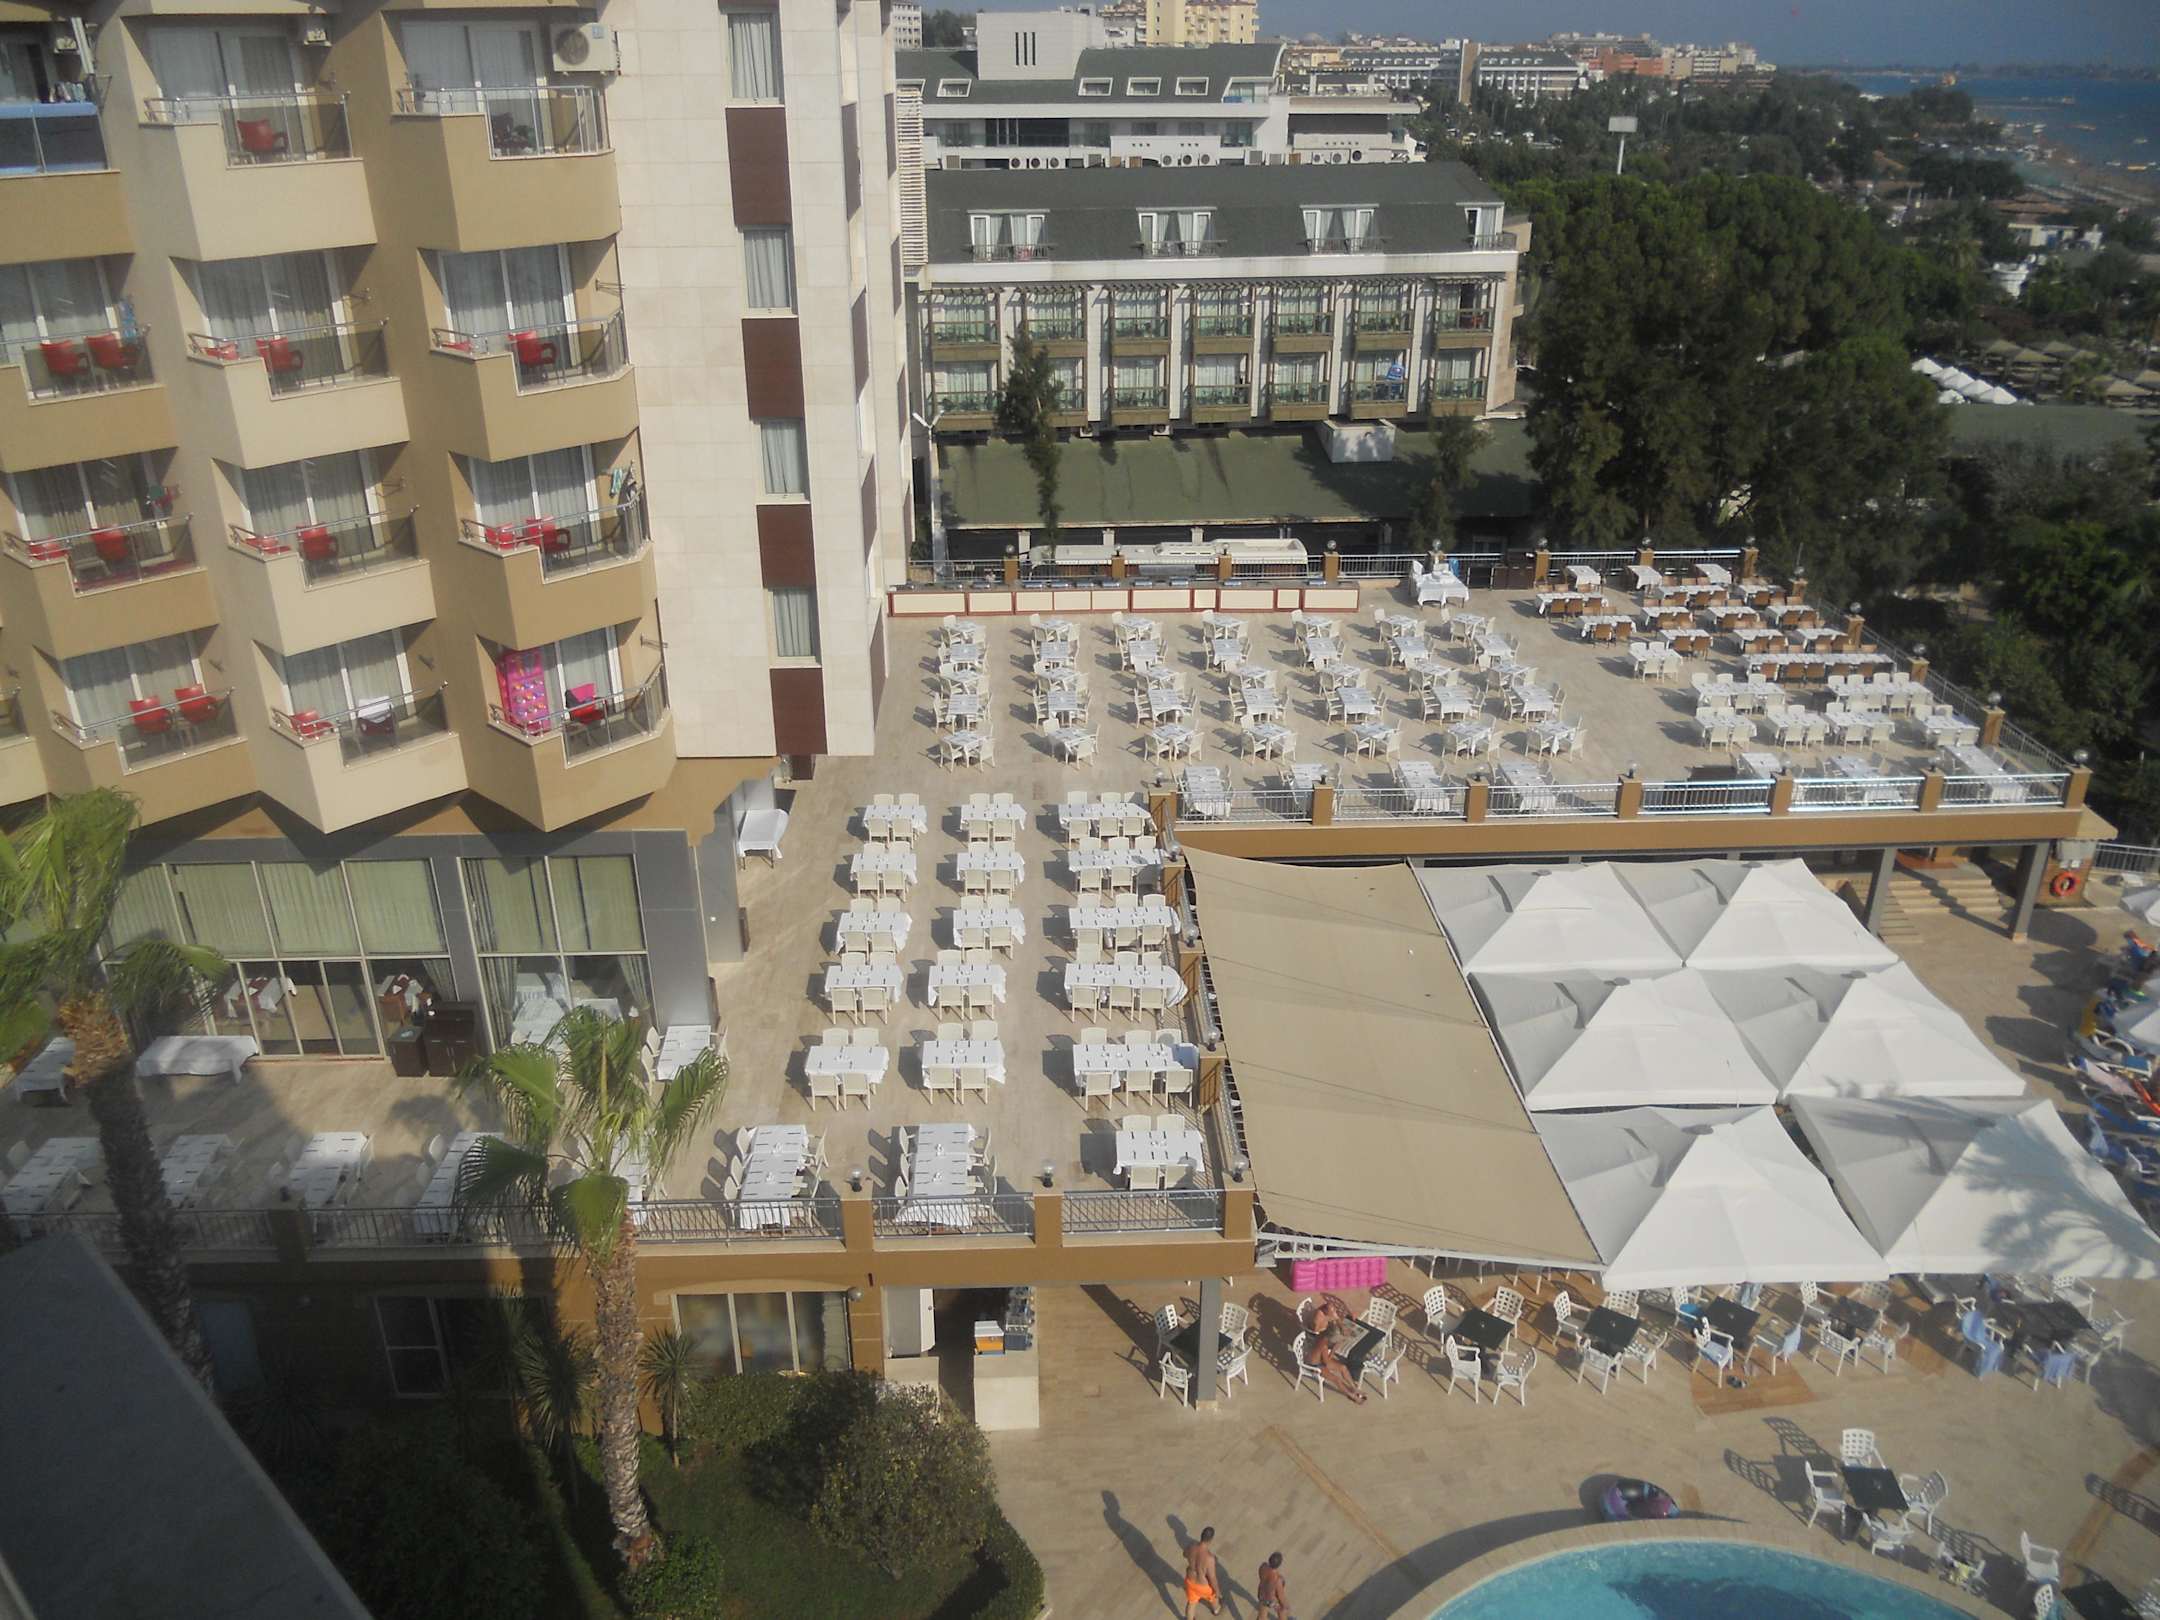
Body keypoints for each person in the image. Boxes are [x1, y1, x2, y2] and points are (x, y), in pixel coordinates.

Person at [1304, 1300, 1367, 1402]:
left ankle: (1355, 1389)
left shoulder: (1324, 1338)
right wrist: (1333, 1350)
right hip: (1315, 1366)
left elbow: (1336, 1319)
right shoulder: (1323, 1345)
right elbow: (1326, 1362)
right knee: (1336, 1379)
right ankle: (1352, 1396)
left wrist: (1337, 1343)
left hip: (1321, 1360)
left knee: (1343, 1367)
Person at [1184, 1525, 1221, 1618]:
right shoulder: (1209, 1558)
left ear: (1201, 1535)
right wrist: (1217, 1591)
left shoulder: (1191, 1547)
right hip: (1203, 1585)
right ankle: (1216, 1610)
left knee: (1191, 1603)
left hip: (1190, 1581)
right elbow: (1212, 1578)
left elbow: (1184, 1554)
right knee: (1214, 1598)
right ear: (1211, 1540)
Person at [1257, 1551, 1289, 1619]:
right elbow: (1280, 1596)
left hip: (1262, 1594)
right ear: (1279, 1564)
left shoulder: (1262, 1566)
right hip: (1271, 1600)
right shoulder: (1278, 1580)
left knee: (1262, 1616)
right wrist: (1285, 1606)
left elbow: (1261, 1578)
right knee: (1281, 1610)